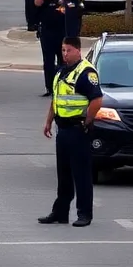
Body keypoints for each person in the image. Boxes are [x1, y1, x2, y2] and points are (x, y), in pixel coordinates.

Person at [39, 37, 103, 228]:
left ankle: (84, 214)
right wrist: (49, 120)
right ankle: (60, 212)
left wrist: (87, 122)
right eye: (63, 50)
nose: (65, 54)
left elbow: (97, 100)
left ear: (78, 50)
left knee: (81, 175)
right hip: (63, 129)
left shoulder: (86, 73)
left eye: (68, 50)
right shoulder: (61, 72)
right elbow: (56, 99)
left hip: (78, 129)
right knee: (63, 174)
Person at [34, 0, 84, 97]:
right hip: (47, 31)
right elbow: (37, 2)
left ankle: (64, 85)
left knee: (64, 59)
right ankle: (50, 87)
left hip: (65, 32)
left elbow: (79, 9)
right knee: (48, 61)